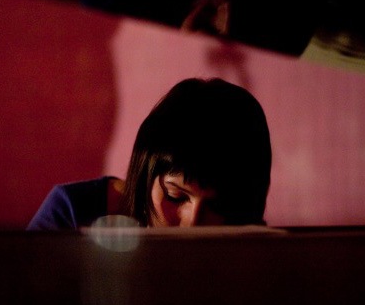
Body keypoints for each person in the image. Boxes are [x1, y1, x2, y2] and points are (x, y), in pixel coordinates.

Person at [27, 77, 272, 230]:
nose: (193, 223)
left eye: (219, 205)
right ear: (145, 175)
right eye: (175, 196)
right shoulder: (71, 213)